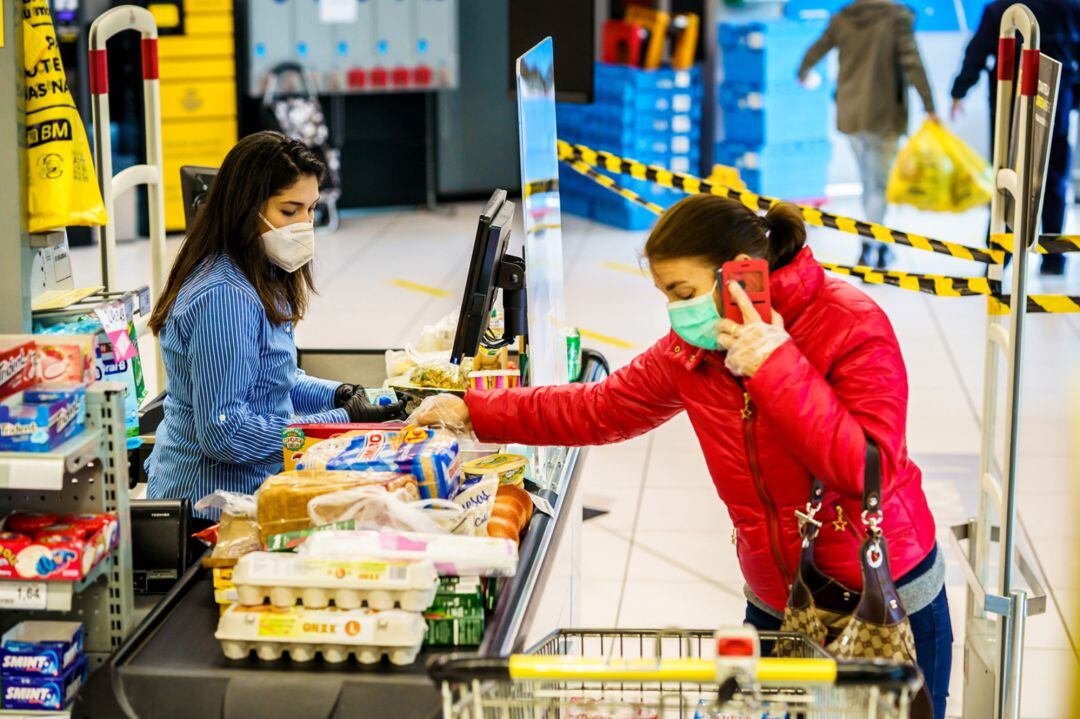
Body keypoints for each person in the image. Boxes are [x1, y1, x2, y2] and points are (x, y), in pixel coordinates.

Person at [414, 195, 952, 717]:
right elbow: (602, 407)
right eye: (665, 295)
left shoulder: (847, 322)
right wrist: (474, 411)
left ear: (740, 275)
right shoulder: (694, 347)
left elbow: (864, 469)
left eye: (682, 290)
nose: (675, 311)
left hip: (883, 601)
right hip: (778, 604)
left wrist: (776, 365)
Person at [146, 131, 405, 515]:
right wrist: (343, 419)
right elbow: (225, 433)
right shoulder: (224, 297)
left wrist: (341, 395)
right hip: (211, 509)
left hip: (255, 489)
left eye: (311, 209)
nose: (304, 225)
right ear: (246, 209)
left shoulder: (260, 270)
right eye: (289, 211)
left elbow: (271, 381)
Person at [798, 0, 938, 269]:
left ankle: (876, 242)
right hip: (884, 114)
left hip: (850, 112)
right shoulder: (897, 16)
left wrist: (803, 72)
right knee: (878, 185)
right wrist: (930, 106)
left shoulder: (843, 17)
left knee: (869, 181)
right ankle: (872, 244)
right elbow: (912, 61)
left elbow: (816, 50)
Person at [950, 0, 1080, 276]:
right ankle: (1053, 258)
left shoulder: (1002, 9)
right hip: (1058, 102)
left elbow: (976, 53)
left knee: (1007, 176)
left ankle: (1000, 258)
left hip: (1009, 104)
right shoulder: (1071, 6)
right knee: (1053, 176)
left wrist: (959, 90)